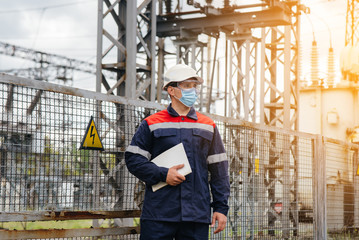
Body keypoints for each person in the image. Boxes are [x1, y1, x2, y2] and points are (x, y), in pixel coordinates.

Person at [125, 63, 230, 239]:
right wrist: (162, 174)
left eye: (194, 86)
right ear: (171, 91)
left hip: (196, 214)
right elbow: (133, 159)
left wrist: (221, 208)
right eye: (187, 86)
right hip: (159, 213)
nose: (193, 91)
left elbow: (219, 171)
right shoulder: (151, 123)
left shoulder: (208, 126)